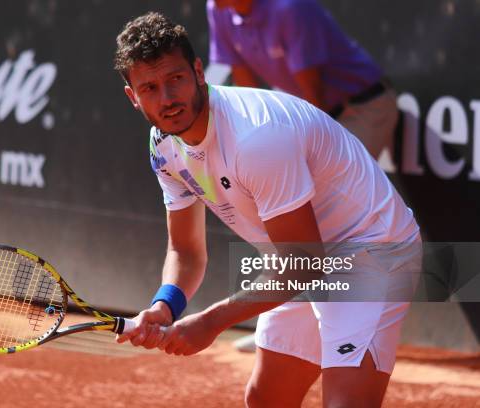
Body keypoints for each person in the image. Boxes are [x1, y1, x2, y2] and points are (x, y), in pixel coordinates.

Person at [113, 11, 421, 407]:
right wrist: (165, 304)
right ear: (132, 97)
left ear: (198, 71)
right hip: (300, 255)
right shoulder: (164, 146)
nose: (168, 99)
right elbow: (185, 253)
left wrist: (210, 321)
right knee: (266, 399)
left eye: (175, 79)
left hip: (369, 252)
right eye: (150, 87)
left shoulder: (257, 138)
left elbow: (304, 264)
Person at [207, 0, 398, 161]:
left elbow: (314, 92)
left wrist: (310, 155)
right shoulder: (217, 9)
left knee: (328, 192)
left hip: (365, 107)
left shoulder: (290, 8)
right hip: (317, 114)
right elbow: (248, 91)